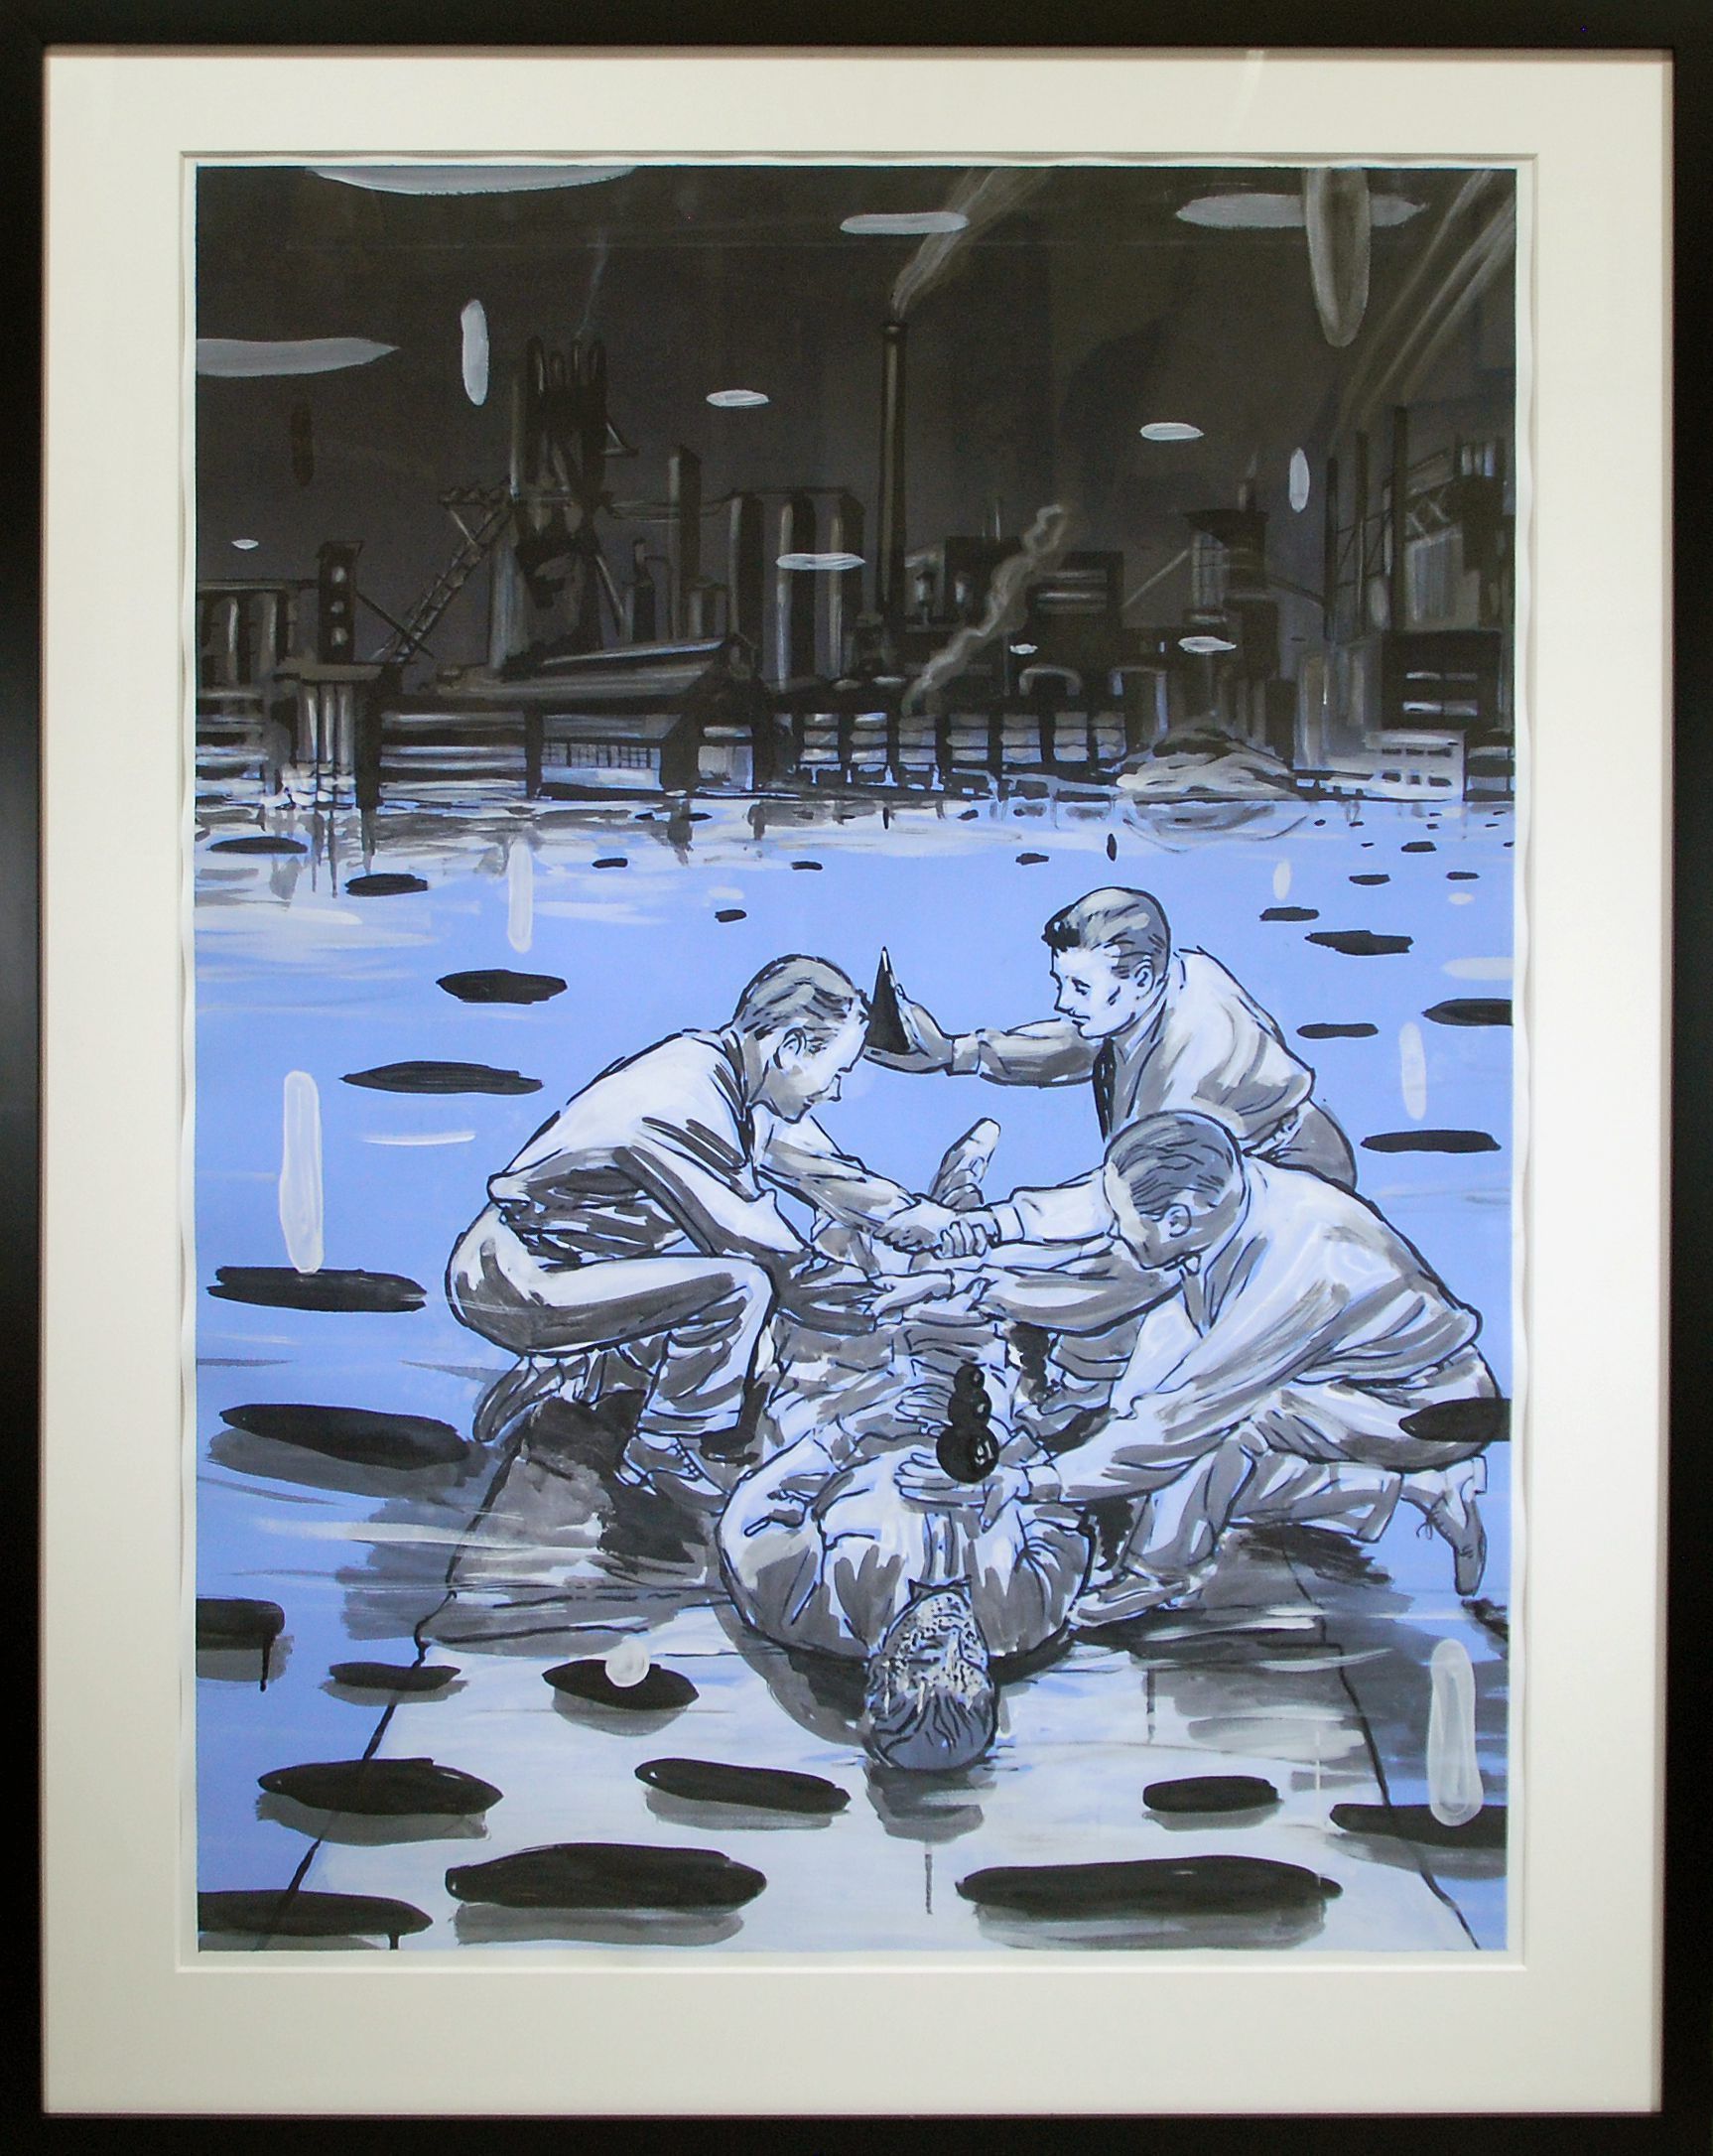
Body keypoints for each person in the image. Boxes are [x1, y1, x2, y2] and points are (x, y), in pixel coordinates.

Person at [897, 1111, 1497, 1617]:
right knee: (1147, 1399)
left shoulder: (1295, 1274)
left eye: (1128, 1229)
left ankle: (1160, 1570)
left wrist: (1035, 1485)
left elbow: (1177, 1423)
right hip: (1334, 1373)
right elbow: (1098, 1218)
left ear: (1179, 1221)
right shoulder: (1219, 1193)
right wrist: (977, 1262)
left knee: (1233, 1426)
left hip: (1422, 1406)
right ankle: (1407, 1492)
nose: (1117, 1236)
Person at [447, 955, 957, 1508]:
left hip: (566, 1260)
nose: (835, 1092)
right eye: (838, 1072)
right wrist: (891, 1303)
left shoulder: (736, 1083)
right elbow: (772, 1256)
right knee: (741, 1289)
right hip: (515, 1279)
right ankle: (667, 1451)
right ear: (791, 1048)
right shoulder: (685, 1097)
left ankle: (573, 1372)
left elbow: (824, 1173)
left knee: (715, 1287)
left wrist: (924, 1221)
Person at [872, 885, 1358, 1413]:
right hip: (1218, 1169)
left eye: (1080, 987)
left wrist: (995, 1225)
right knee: (1075, 1269)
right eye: (1062, 983)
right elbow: (1086, 1040)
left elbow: (1124, 1194)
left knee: (1125, 1284)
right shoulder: (1158, 982)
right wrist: (957, 1053)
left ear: (1142, 979)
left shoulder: (1195, 1065)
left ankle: (1071, 1395)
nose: (1064, 1002)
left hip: (1278, 1176)